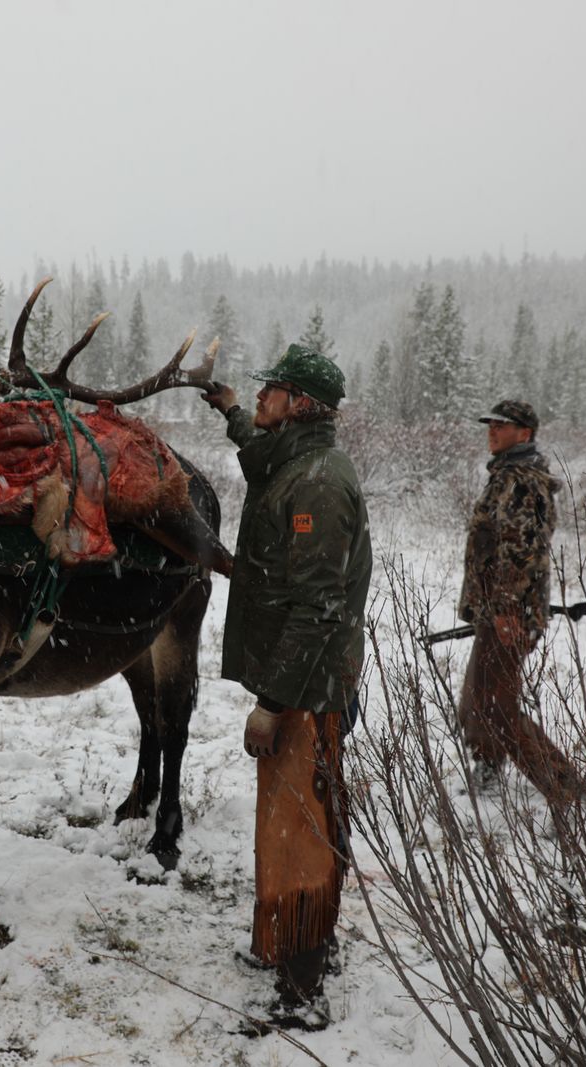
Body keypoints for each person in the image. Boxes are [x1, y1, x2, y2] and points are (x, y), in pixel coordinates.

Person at [201, 344, 373, 1032]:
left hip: (309, 685)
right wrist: (236, 415)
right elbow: (259, 458)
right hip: (296, 676)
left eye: (270, 388)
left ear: (299, 401)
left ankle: (303, 986)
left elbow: (320, 605)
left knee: (302, 825)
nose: (261, 393)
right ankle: (288, 943)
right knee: (286, 816)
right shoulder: (294, 459)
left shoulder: (321, 484)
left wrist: (273, 703)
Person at [456, 400, 586, 806]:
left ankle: (566, 788)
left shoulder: (521, 480)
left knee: (496, 706)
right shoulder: (507, 475)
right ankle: (489, 767)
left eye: (503, 425)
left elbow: (519, 551)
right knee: (479, 700)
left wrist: (507, 610)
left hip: (508, 613)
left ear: (524, 433)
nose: (492, 430)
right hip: (498, 611)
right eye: (491, 424)